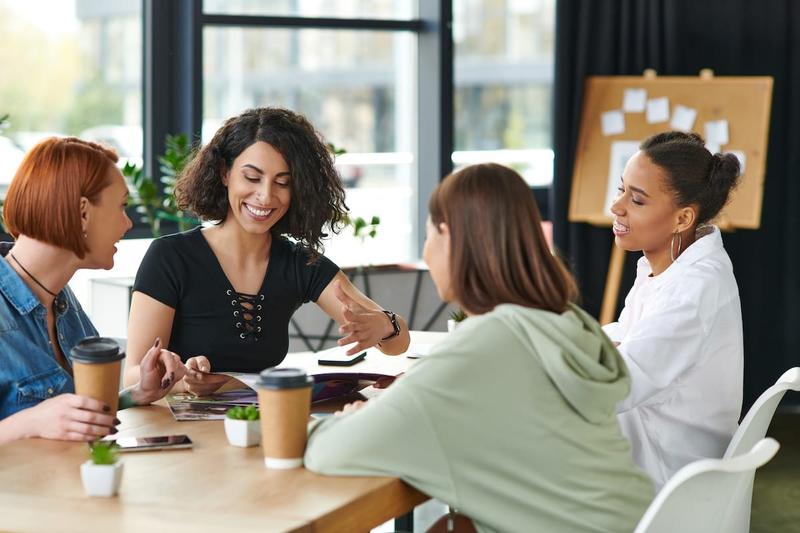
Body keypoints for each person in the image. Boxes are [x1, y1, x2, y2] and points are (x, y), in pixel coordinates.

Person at [304, 163, 654, 532]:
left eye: (428, 235)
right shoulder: (564, 324)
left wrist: (352, 420)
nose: (426, 251)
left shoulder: (478, 351)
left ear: (449, 235)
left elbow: (329, 453)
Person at [124, 107, 410, 394]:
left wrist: (385, 326)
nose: (265, 195)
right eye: (252, 177)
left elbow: (398, 343)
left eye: (282, 182)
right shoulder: (170, 257)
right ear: (225, 173)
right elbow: (133, 373)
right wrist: (183, 382)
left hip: (262, 424)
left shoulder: (301, 263)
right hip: (177, 429)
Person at [0, 137, 187, 445]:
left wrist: (136, 394)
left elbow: (71, 416)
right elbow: (42, 420)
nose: (128, 223)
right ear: (83, 212)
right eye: (122, 206)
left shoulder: (62, 300)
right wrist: (29, 422)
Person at [604, 131, 743, 490]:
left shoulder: (692, 290)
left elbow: (617, 386)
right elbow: (626, 333)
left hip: (663, 473)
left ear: (682, 219)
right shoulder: (671, 264)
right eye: (621, 190)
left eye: (636, 200)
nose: (616, 207)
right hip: (651, 448)